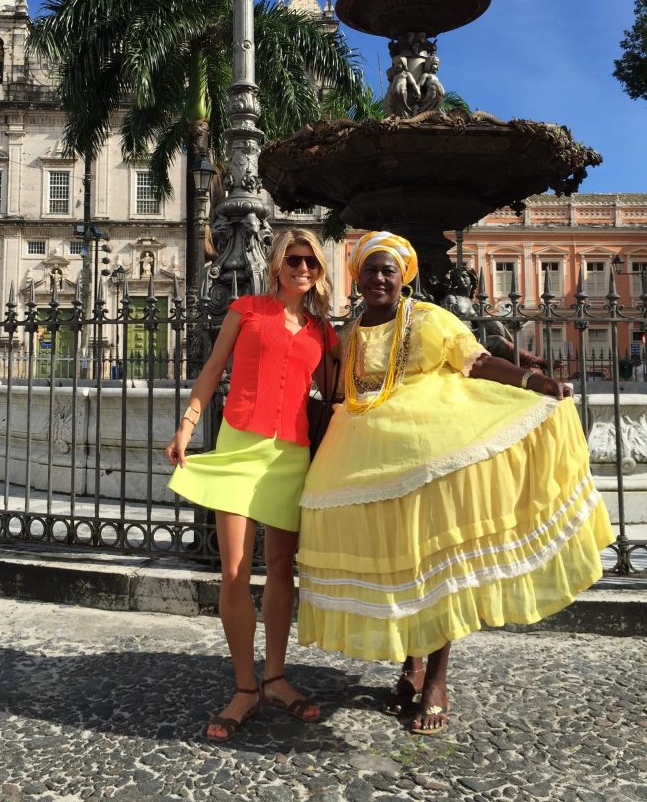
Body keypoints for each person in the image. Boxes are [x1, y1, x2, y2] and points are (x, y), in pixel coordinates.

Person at [298, 231, 614, 735]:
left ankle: (436, 679)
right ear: (356, 276)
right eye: (370, 269)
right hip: (363, 463)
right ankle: (410, 662)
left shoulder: (428, 318)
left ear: (403, 276)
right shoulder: (348, 331)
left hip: (432, 458)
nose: (379, 278)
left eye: (389, 270)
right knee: (395, 564)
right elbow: (334, 389)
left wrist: (533, 381)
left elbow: (478, 362)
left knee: (437, 568)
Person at [166, 227, 338, 743]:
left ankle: (277, 678)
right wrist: (187, 425)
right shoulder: (246, 309)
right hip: (240, 444)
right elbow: (212, 368)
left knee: (282, 568)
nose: (302, 267)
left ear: (319, 271)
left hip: (292, 451)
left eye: (311, 261)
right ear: (278, 262)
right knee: (236, 569)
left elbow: (339, 391)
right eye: (294, 258)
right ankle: (245, 686)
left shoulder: (322, 332)